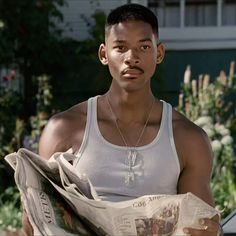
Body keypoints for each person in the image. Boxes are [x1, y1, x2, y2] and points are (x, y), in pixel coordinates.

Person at [22, 3, 222, 236]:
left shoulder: (188, 139)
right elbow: (32, 226)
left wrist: (208, 231)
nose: (132, 58)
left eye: (144, 47)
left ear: (159, 54)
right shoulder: (63, 130)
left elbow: (199, 225)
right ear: (104, 55)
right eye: (120, 47)